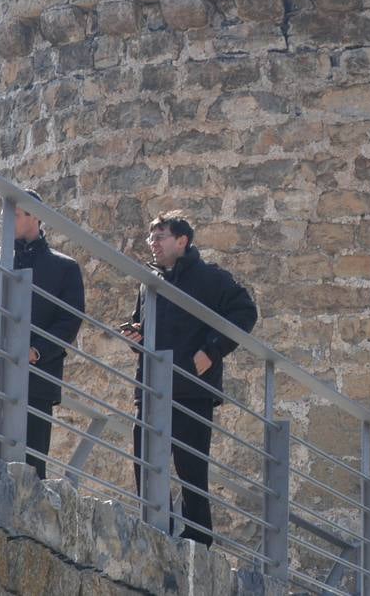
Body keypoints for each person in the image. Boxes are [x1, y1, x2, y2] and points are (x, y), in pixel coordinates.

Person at [122, 210, 257, 546]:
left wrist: (212, 350)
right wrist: (136, 335)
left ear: (182, 241)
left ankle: (198, 539)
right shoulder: (149, 283)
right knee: (145, 459)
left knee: (190, 468)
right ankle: (159, 531)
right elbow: (143, 323)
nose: (153, 243)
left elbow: (244, 311)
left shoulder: (211, 278)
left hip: (192, 389)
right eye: (151, 237)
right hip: (153, 387)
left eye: (161, 236)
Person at [0, 192, 85, 478]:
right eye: (8, 211)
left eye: (19, 212)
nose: (10, 217)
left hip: (36, 379)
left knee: (31, 471)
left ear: (37, 216)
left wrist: (37, 351)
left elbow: (69, 319)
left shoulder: (65, 268)